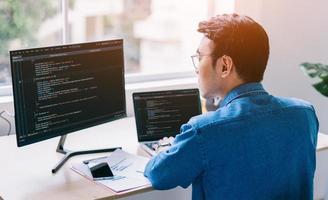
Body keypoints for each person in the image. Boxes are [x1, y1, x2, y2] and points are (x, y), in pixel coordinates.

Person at [143, 13, 319, 200]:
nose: (196, 68)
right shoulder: (304, 114)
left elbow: (159, 175)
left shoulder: (203, 131)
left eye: (200, 57)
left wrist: (163, 150)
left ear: (225, 65)